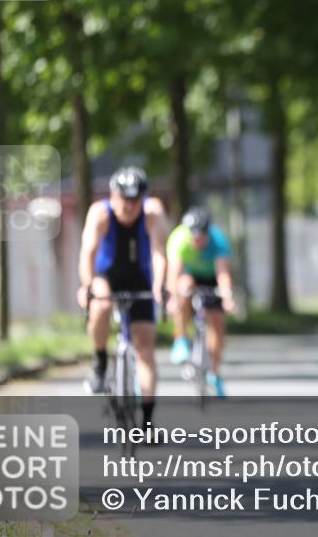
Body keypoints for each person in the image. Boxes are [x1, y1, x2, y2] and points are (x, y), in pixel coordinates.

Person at [77, 166, 167, 429]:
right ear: (113, 196)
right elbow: (87, 254)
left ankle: (147, 422)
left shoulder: (153, 212)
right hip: (107, 274)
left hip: (140, 276)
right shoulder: (100, 213)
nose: (129, 206)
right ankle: (100, 361)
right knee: (101, 304)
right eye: (124, 199)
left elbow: (160, 253)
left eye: (135, 200)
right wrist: (86, 285)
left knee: (145, 349)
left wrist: (160, 286)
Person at [166, 206, 236, 398]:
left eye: (201, 237)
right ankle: (181, 339)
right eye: (193, 237)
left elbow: (223, 275)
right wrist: (172, 299)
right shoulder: (179, 239)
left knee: (217, 325)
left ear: (208, 233)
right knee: (183, 288)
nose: (197, 241)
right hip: (189, 275)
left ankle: (214, 373)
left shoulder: (218, 240)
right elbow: (173, 274)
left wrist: (227, 297)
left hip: (211, 277)